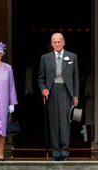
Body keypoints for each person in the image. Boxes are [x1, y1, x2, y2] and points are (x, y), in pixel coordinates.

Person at [38, 33, 79, 161]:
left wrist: (75, 95)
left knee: (65, 122)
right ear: (52, 44)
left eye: (59, 42)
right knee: (54, 122)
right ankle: (55, 152)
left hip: (66, 92)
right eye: (54, 42)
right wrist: (43, 88)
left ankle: (65, 151)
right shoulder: (45, 58)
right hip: (52, 91)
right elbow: (40, 78)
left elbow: (75, 78)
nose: (57, 44)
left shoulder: (72, 56)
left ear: (63, 42)